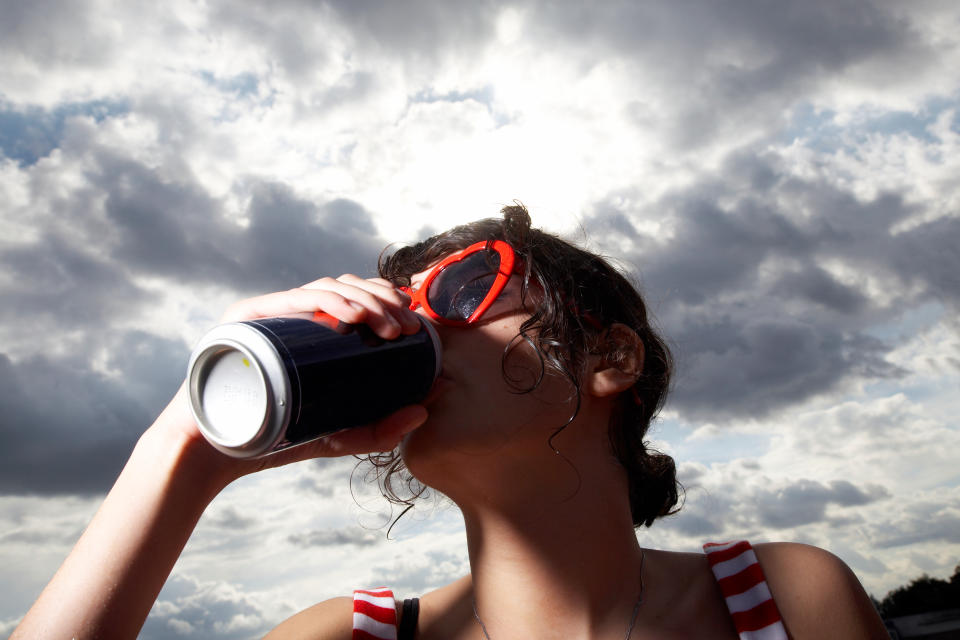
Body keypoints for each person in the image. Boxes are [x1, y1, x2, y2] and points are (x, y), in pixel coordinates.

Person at [13, 204, 887, 639]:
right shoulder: (347, 637)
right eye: (396, 308)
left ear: (609, 358)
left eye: (467, 287)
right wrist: (185, 451)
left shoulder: (782, 600)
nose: (419, 325)